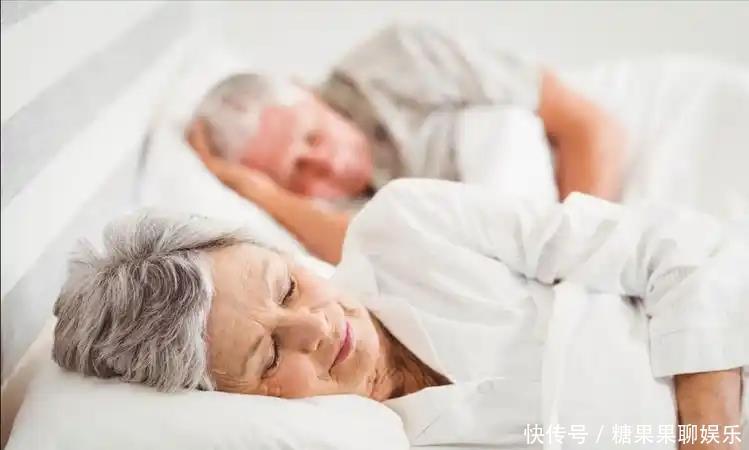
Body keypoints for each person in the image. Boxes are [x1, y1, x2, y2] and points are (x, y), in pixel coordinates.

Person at [52, 179, 746, 449]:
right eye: (268, 357)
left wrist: (709, 431)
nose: (315, 328)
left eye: (286, 287)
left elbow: (667, 245)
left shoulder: (406, 226)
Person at [186, 24, 626, 264]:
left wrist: (574, 256)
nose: (328, 166)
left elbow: (588, 125)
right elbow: (369, 246)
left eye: (313, 137)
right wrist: (260, 193)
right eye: (296, 171)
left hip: (577, 191)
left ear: (306, 91)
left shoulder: (401, 59)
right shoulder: (314, 213)